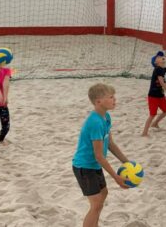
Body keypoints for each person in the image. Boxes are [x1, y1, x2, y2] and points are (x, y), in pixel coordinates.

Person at [72, 83, 131, 227]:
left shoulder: (106, 117)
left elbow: (110, 143)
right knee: (96, 204)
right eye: (111, 97)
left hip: (94, 165)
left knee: (103, 194)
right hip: (84, 167)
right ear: (98, 101)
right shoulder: (95, 122)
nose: (114, 100)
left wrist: (126, 162)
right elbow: (98, 155)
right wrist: (116, 177)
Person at [143, 51, 166, 136]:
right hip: (153, 96)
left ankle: (155, 123)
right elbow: (162, 82)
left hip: (161, 96)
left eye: (161, 56)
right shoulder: (157, 69)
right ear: (155, 62)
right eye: (158, 57)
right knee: (152, 114)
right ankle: (144, 133)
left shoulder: (165, 70)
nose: (161, 57)